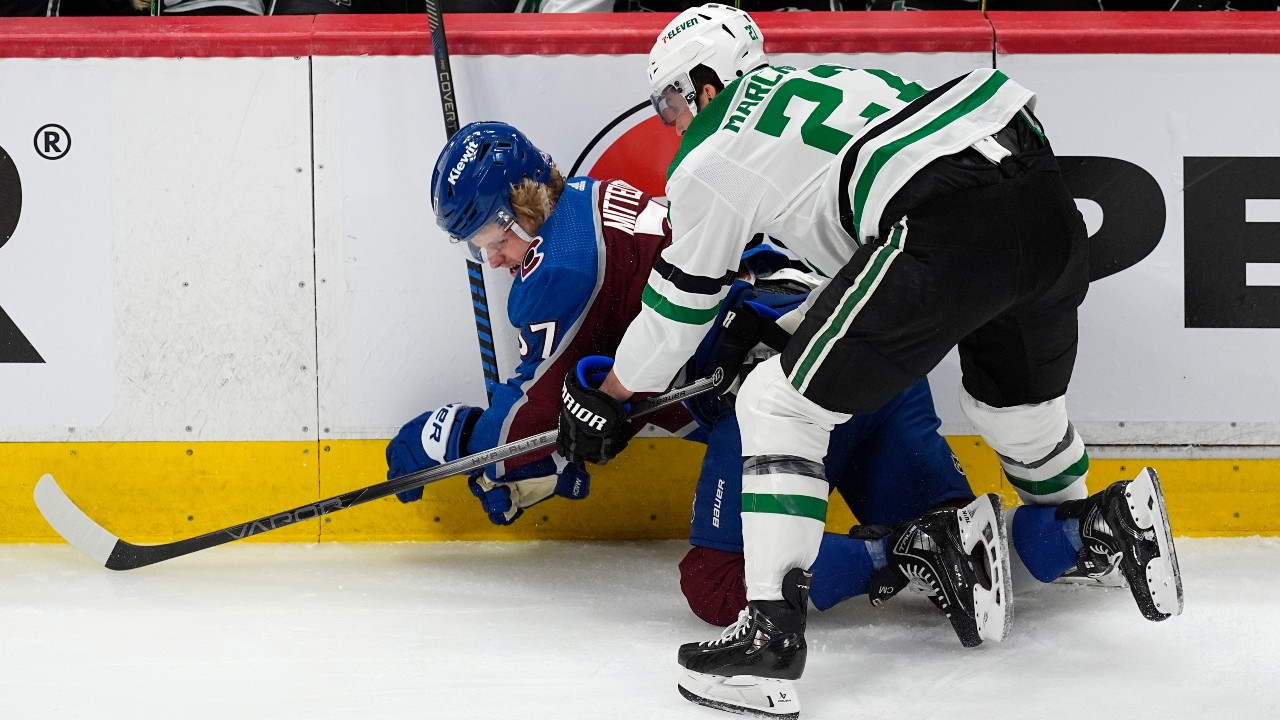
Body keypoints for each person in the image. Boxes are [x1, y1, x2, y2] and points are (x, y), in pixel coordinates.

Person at [554, 4, 1184, 716]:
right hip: (1041, 193)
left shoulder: (715, 151)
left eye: (671, 98)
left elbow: (673, 319)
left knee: (772, 403)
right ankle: (1093, 527)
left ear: (705, 81)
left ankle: (767, 645)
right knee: (1015, 407)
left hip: (944, 220)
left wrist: (609, 393)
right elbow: (855, 259)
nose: (672, 119)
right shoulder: (832, 79)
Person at [390, 120, 1015, 656]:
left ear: (520, 207)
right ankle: (1058, 527)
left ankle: (899, 553)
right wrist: (581, 440)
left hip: (776, 399)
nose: (493, 261)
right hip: (865, 349)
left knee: (717, 584)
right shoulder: (599, 198)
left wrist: (446, 441)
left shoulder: (561, 266)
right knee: (962, 547)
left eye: (494, 242)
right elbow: (616, 370)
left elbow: (525, 429)